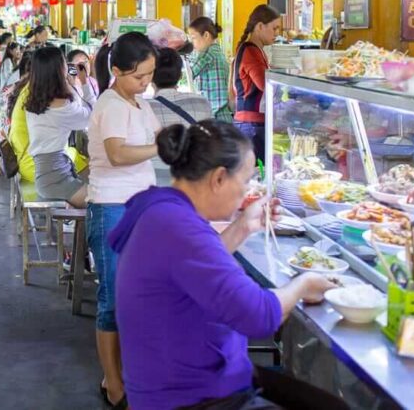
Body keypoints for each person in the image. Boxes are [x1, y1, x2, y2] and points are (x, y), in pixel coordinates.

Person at [110, 120, 338, 410]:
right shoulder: (179, 229)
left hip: (184, 382)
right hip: (191, 397)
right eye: (244, 183)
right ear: (218, 179)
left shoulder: (160, 209)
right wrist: (304, 283)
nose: (246, 193)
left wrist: (243, 226)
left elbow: (193, 267)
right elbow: (259, 316)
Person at [85, 32, 159, 408]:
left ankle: (125, 373)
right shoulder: (111, 104)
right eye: (138, 76)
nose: (145, 83)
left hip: (139, 208)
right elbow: (117, 154)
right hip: (112, 207)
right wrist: (160, 147)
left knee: (135, 297)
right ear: (116, 71)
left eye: (149, 75)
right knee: (113, 299)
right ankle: (114, 385)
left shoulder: (140, 104)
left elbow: (153, 140)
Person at [25, 45, 94, 207]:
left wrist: (70, 85)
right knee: (105, 204)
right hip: (56, 179)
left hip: (48, 174)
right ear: (59, 69)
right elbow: (91, 115)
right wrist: (84, 82)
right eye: (64, 63)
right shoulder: (60, 106)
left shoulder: (35, 98)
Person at [148, 48, 213, 187]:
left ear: (150, 75)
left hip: (154, 182)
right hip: (192, 180)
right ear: (179, 75)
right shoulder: (202, 102)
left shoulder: (143, 107)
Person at [234, 5, 282, 163]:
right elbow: (265, 85)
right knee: (256, 175)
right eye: (274, 28)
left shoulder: (255, 50)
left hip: (251, 123)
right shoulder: (251, 52)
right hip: (250, 125)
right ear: (260, 26)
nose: (277, 33)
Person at [186, 16, 232, 121]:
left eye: (193, 38)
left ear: (206, 35)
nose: (192, 42)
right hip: (220, 115)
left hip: (217, 117)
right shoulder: (215, 51)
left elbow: (190, 73)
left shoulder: (209, 54)